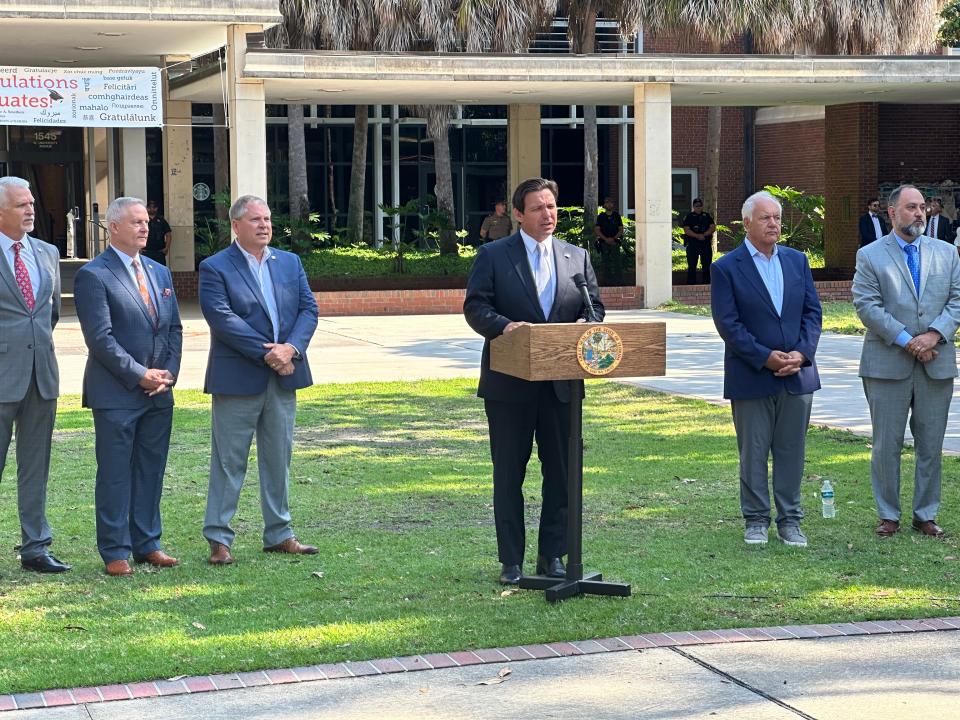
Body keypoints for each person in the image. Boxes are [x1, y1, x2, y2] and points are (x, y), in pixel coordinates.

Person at [464, 177, 604, 585]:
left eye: (552, 206)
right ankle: (511, 561)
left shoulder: (576, 257)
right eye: (539, 208)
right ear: (519, 215)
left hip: (562, 386)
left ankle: (552, 557)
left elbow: (596, 311)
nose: (548, 214)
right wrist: (507, 327)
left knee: (560, 472)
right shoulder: (493, 255)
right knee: (509, 472)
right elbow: (476, 307)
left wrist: (585, 324)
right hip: (509, 385)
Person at [199, 194, 319, 565]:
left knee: (277, 458)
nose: (264, 225)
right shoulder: (215, 267)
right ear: (236, 225)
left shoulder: (289, 262)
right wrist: (270, 353)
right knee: (229, 461)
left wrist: (292, 349)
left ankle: (280, 533)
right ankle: (219, 538)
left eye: (267, 219)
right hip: (238, 378)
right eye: (256, 220)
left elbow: (308, 309)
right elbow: (221, 318)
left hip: (284, 377)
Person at [74, 197, 183, 576]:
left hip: (158, 394)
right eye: (136, 222)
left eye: (146, 222)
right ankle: (115, 550)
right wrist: (139, 374)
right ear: (113, 227)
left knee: (151, 469)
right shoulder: (93, 274)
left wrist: (166, 375)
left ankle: (147, 543)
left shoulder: (159, 272)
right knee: (116, 473)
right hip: (117, 393)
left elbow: (173, 329)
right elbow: (100, 339)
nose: (144, 227)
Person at [711, 190, 822, 548]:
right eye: (765, 217)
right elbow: (728, 324)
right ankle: (756, 520)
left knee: (792, 451)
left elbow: (812, 313)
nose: (774, 223)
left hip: (797, 375)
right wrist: (765, 357)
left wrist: (802, 354)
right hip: (752, 374)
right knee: (754, 453)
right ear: (747, 224)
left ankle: (790, 520)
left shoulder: (796, 261)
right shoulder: (726, 267)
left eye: (776, 217)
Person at [852, 184, 960, 539]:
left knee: (931, 443)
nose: (919, 213)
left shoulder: (947, 253)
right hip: (886, 365)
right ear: (892, 213)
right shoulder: (870, 255)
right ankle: (889, 515)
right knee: (887, 443)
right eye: (911, 208)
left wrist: (934, 335)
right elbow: (867, 305)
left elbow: (957, 300)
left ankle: (925, 514)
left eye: (923, 208)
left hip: (937, 360)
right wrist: (908, 340)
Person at [0, 176, 69, 574]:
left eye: (31, 203)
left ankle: (36, 548)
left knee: (35, 467)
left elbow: (50, 314)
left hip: (41, 375)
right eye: (21, 205)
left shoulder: (46, 252)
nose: (31, 210)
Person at [682, 198, 716, 285]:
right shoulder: (689, 217)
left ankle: (707, 284)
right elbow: (686, 230)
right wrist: (697, 236)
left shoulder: (706, 216)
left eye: (700, 206)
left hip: (705, 244)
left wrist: (704, 235)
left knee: (706, 265)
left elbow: (712, 227)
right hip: (693, 244)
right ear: (693, 207)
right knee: (692, 265)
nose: (698, 208)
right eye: (697, 206)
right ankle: (691, 285)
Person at [594, 197, 624, 285]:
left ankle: (619, 281)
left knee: (617, 262)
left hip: (615, 242)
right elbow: (597, 230)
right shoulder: (601, 216)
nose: (609, 204)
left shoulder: (617, 216)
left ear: (613, 204)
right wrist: (606, 239)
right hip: (604, 242)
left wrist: (613, 238)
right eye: (607, 203)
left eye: (611, 202)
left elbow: (621, 229)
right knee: (605, 262)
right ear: (604, 205)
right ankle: (607, 282)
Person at [144, 200, 172, 265]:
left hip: (159, 251)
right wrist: (139, 248)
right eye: (149, 207)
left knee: (161, 271)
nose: (151, 209)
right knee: (147, 272)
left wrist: (167, 247)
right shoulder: (144, 220)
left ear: (156, 208)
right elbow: (137, 233)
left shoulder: (161, 220)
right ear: (147, 208)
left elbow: (168, 234)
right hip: (146, 251)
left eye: (154, 207)